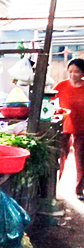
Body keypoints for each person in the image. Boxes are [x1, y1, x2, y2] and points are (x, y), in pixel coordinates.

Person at [54, 58, 84, 199]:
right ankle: (54, 188)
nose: (73, 75)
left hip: (82, 127)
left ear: (83, 73)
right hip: (64, 125)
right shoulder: (61, 85)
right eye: (70, 71)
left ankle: (79, 189)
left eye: (77, 72)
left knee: (81, 159)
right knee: (60, 157)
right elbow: (49, 100)